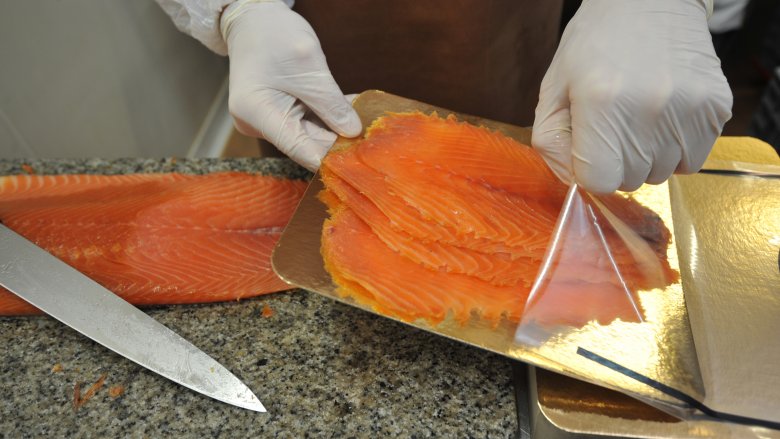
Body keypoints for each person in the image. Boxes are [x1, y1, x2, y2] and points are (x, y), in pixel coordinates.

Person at [156, 0, 733, 194]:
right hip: (323, 38)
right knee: (324, 194)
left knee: (522, 177)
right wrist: (240, 11)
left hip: (499, 33)